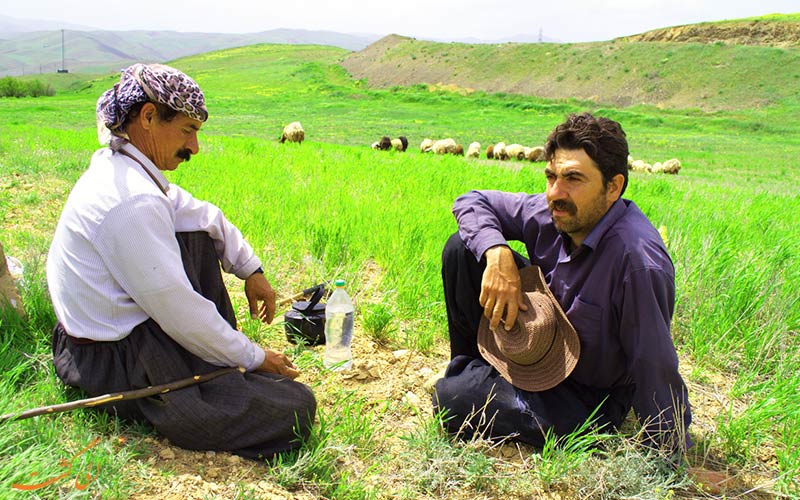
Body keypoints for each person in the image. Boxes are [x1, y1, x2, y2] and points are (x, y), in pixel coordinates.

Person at [46, 63, 316, 461]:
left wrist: (251, 270)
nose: (194, 148)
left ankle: (216, 359)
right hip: (112, 359)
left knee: (198, 234)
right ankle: (205, 382)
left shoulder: (125, 168)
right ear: (149, 117)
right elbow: (179, 311)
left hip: (106, 337)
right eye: (188, 131)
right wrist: (255, 357)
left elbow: (204, 216)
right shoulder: (132, 201)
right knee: (295, 407)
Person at [433, 112, 692, 459]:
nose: (556, 193)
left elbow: (654, 363)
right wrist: (497, 253)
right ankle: (475, 366)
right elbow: (471, 201)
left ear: (613, 187)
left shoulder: (637, 263)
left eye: (573, 178)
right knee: (463, 248)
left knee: (450, 401)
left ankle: (473, 384)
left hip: (585, 396)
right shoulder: (551, 212)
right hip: (542, 348)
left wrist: (670, 453)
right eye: (551, 176)